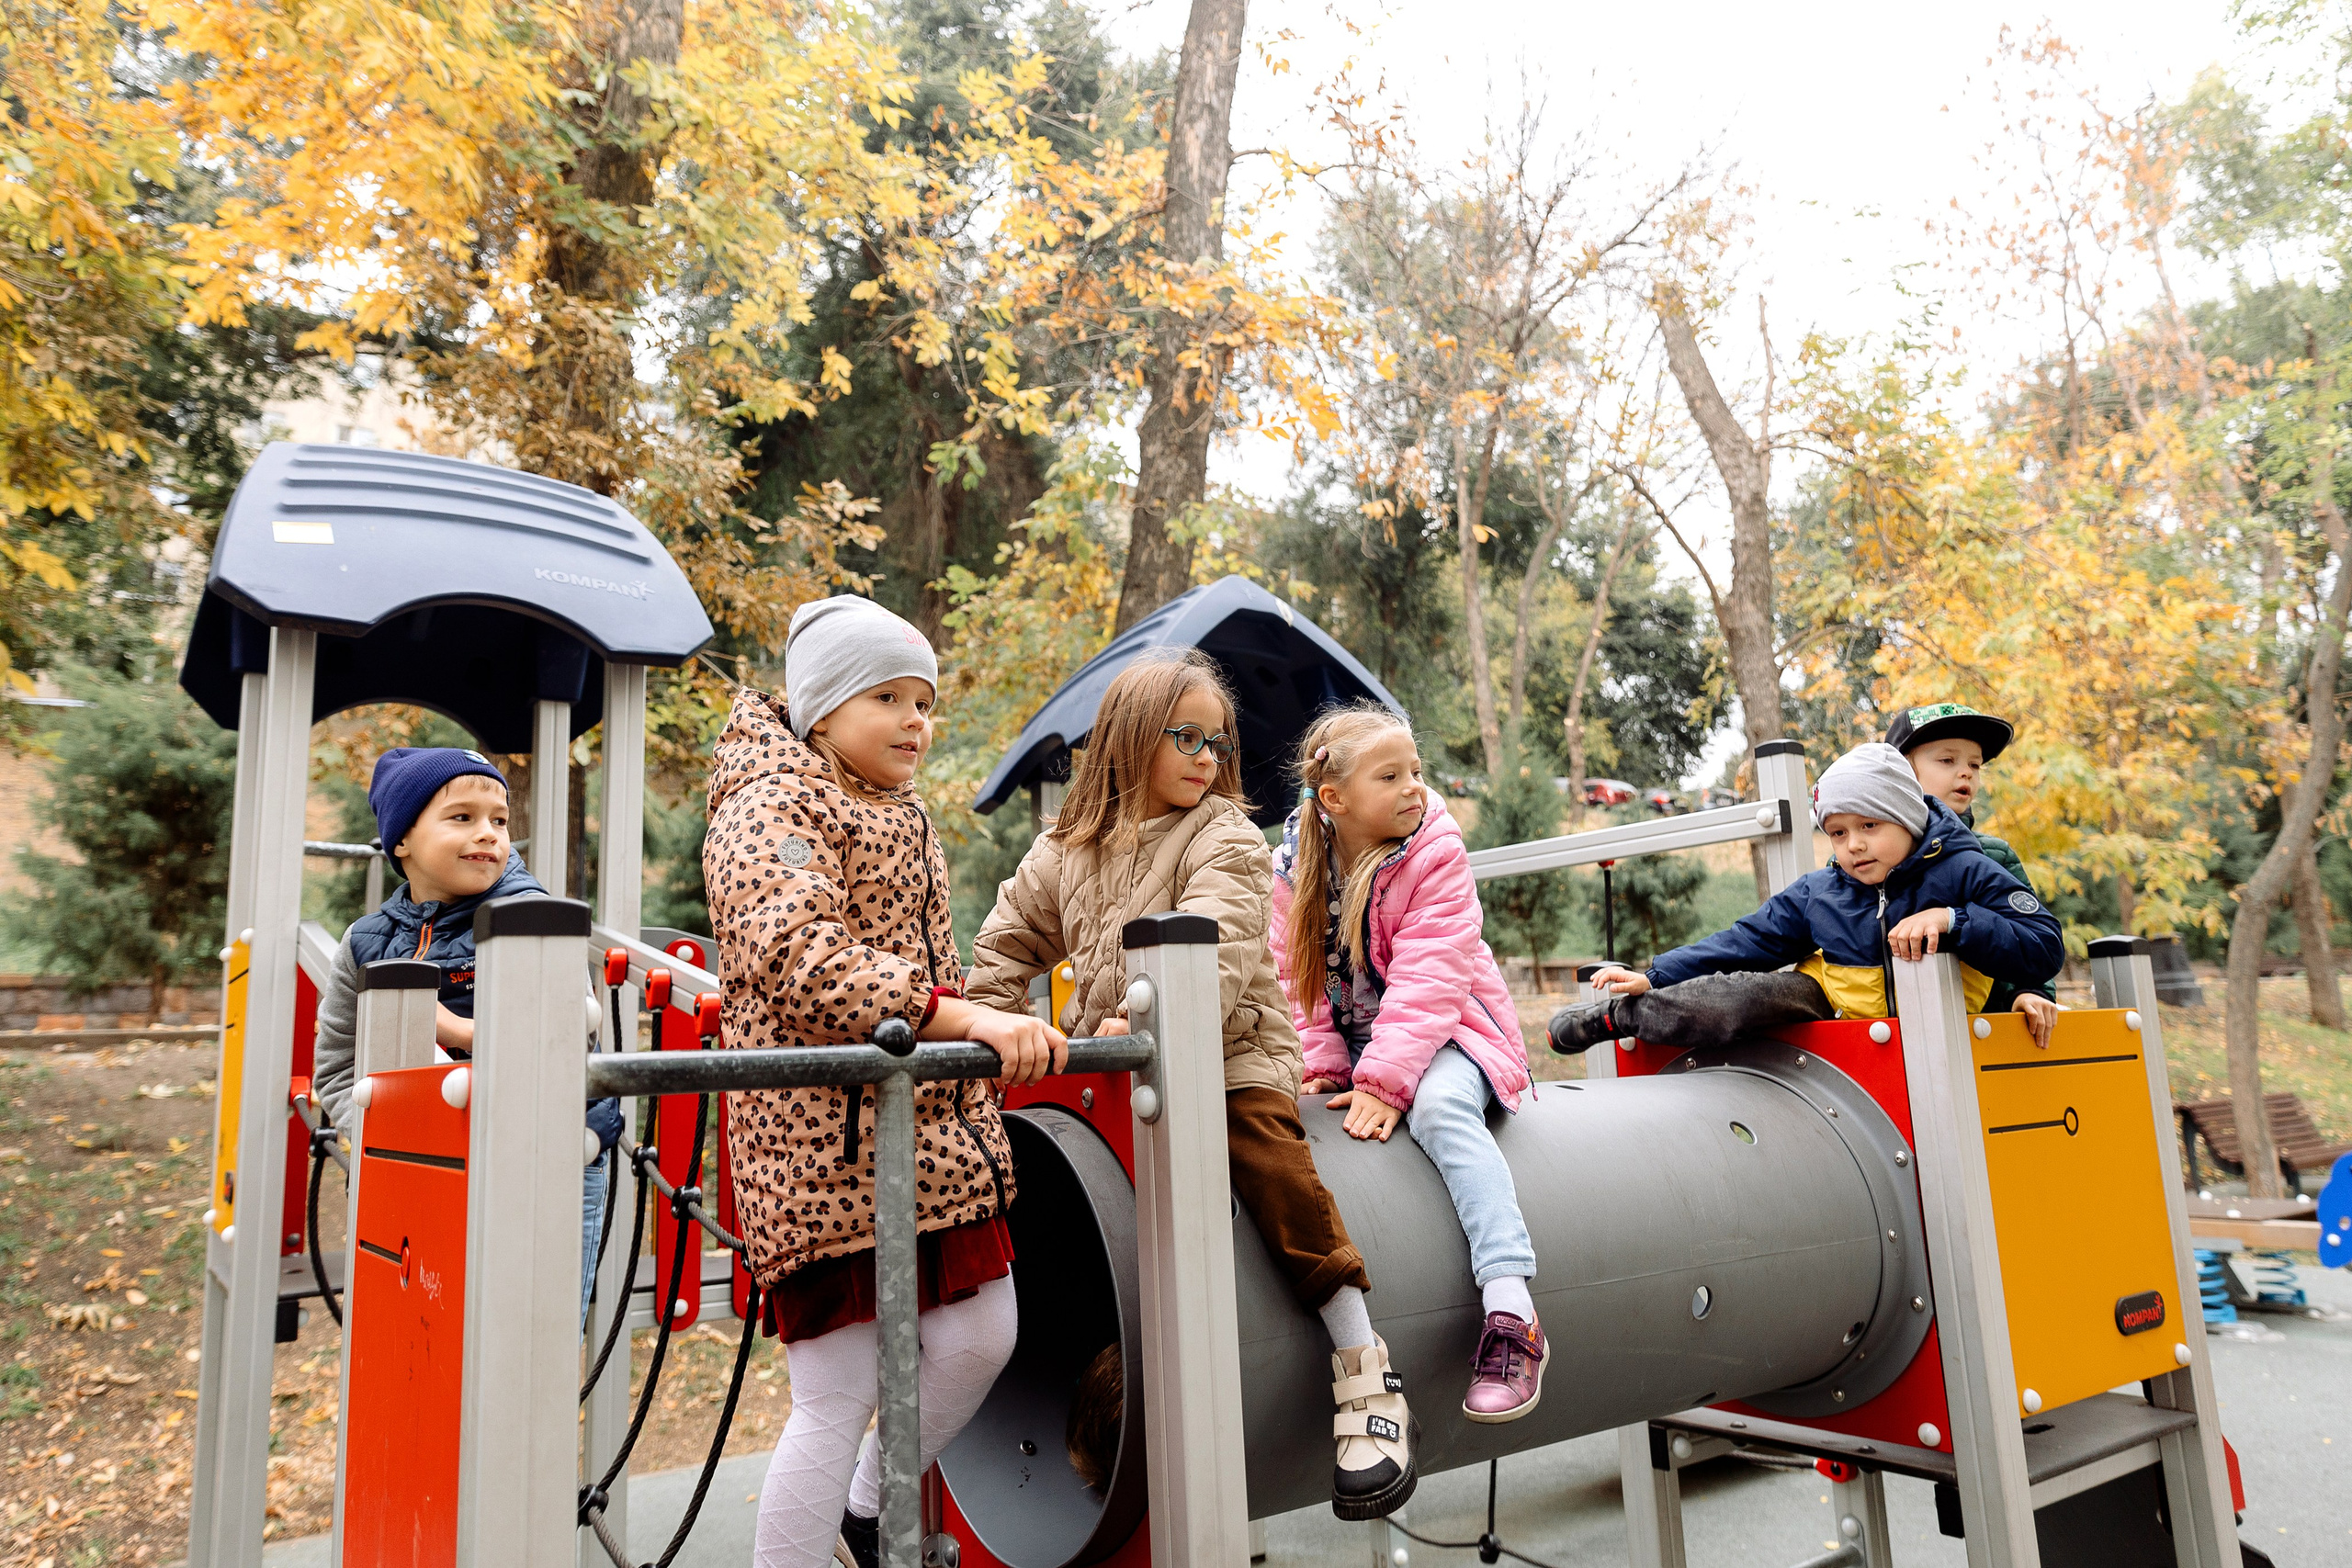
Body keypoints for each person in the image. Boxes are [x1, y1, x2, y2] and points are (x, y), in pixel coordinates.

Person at [967, 651, 1419, 1522]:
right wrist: (995, 1033)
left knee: (1271, 1162)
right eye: (1187, 736)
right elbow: (1006, 942)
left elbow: (1211, 957)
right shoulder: (1066, 846)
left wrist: (1147, 1036)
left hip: (1227, 1058)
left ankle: (1364, 1371)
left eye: (1219, 740)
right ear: (1132, 738)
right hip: (1117, 1074)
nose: (1208, 755)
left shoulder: (1228, 838)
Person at [703, 596, 1065, 1568]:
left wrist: (983, 1018)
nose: (917, 721)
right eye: (888, 698)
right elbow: (800, 960)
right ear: (821, 711)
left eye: (926, 702)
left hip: (920, 1128)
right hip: (820, 1144)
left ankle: (868, 1510)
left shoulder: (891, 809)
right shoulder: (768, 806)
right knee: (835, 1391)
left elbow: (931, 956)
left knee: (984, 1332)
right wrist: (965, 1019)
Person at [1270, 701, 1550, 1431]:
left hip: (1454, 1031)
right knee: (1301, 1119)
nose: (1413, 787)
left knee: (1437, 1107)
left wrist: (1386, 1082)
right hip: (1369, 1048)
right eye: (1390, 775)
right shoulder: (1294, 866)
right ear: (1335, 798)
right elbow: (1292, 977)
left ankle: (1513, 1311)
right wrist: (1327, 1065)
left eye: (1416, 771)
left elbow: (1432, 975)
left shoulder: (1434, 851)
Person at [311, 747, 622, 1327]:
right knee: (420, 1333)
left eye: (500, 821)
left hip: (543, 1165)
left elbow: (560, 1046)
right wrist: (381, 1139)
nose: (489, 834)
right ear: (402, 840)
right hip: (420, 1164)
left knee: (529, 1341)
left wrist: (451, 1027)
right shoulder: (365, 942)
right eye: (463, 817)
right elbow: (335, 1064)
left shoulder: (533, 920)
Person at [1547, 741, 2066, 1054]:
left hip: (1941, 1025)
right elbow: (1747, 939)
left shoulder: (1965, 869)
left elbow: (2043, 944)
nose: (1854, 844)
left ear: (1908, 819)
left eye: (1868, 825)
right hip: (1835, 1006)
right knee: (1736, 997)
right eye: (1838, 834)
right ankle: (1618, 1019)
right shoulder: (1825, 891)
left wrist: (1955, 920)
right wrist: (1656, 974)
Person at [1887, 702, 2062, 1047]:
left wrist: (2028, 992)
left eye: (1974, 765)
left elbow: (2029, 932)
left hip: (1983, 1035)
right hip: (1896, 1037)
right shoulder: (1870, 856)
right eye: (1947, 761)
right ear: (1902, 773)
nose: (1966, 772)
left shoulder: (1992, 855)